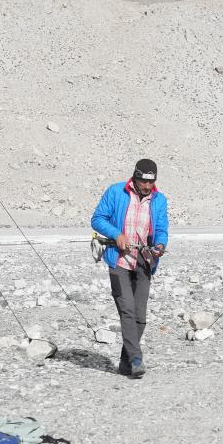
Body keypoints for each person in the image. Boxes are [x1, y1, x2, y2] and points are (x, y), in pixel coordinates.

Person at [91, 158, 169, 378]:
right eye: (143, 182)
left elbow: (161, 229)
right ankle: (136, 359)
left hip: (145, 262)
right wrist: (117, 234)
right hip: (119, 261)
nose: (147, 186)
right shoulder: (116, 192)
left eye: (151, 182)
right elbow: (97, 219)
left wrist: (160, 245)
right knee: (127, 310)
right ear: (135, 178)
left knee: (140, 317)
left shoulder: (160, 199)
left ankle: (125, 363)